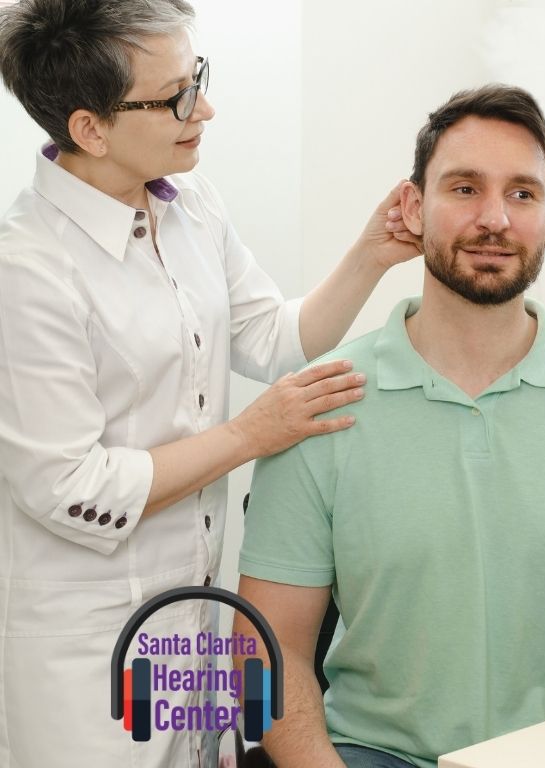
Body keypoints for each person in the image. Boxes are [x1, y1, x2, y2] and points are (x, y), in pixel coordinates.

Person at [235, 84, 545, 768]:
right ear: (411, 207)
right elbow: (261, 645)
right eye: (464, 188)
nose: (494, 218)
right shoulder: (322, 400)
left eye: (522, 194)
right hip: (373, 754)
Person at [0, 1, 420, 767]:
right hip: (88, 645)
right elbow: (68, 486)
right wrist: (250, 436)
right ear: (90, 128)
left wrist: (372, 253)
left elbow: (274, 339)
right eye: (176, 98)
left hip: (193, 624)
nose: (206, 109)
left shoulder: (190, 204)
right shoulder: (27, 270)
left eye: (197, 79)